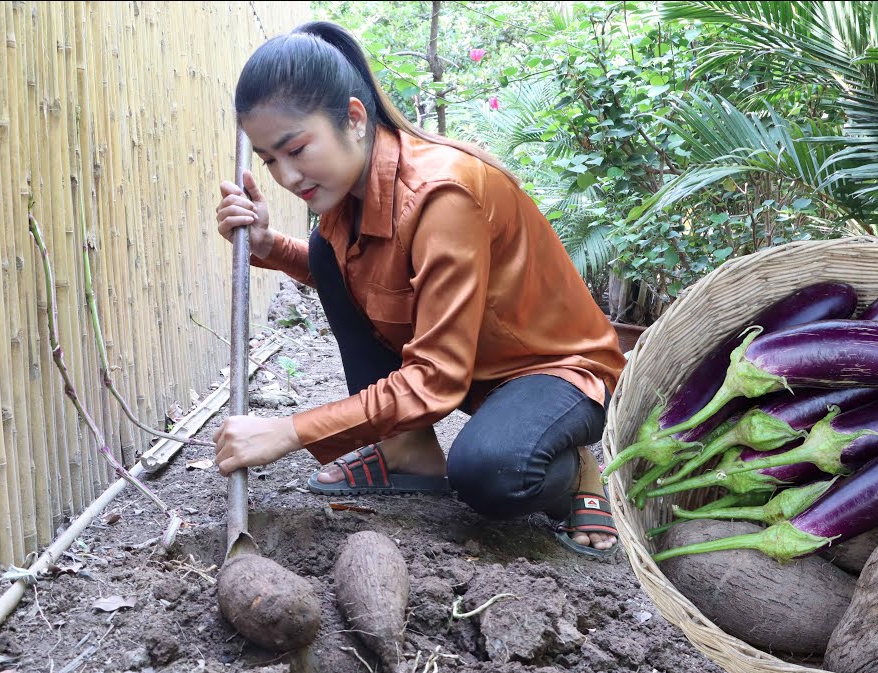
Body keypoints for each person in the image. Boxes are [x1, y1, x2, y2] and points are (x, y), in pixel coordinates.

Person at [212, 21, 626, 557]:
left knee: (488, 473)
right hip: (474, 368)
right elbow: (367, 285)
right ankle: (409, 451)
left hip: (555, 373)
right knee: (324, 251)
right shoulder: (347, 195)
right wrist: (268, 245)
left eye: (296, 149)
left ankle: (573, 473)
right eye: (269, 160)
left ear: (354, 119)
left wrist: (289, 431)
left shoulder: (442, 197)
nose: (286, 176)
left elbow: (434, 379)